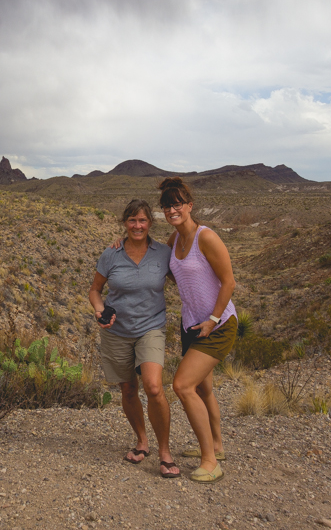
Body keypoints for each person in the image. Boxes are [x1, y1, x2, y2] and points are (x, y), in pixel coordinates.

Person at [88, 199, 180, 478]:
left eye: (142, 220)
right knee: (128, 389)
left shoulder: (163, 253)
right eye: (132, 220)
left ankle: (165, 452)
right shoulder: (111, 254)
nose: (137, 226)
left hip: (150, 328)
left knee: (153, 387)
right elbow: (95, 290)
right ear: (124, 223)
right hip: (117, 332)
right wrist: (100, 310)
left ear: (150, 223)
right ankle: (142, 441)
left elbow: (185, 274)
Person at [160, 177, 236, 484]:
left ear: (190, 206)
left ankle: (210, 462)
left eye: (177, 203)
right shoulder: (173, 241)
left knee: (182, 386)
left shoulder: (206, 237)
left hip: (217, 326)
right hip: (191, 324)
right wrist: (123, 244)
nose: (172, 210)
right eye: (166, 205)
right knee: (203, 388)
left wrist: (213, 318)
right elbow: (158, 265)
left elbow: (229, 281)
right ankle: (216, 446)